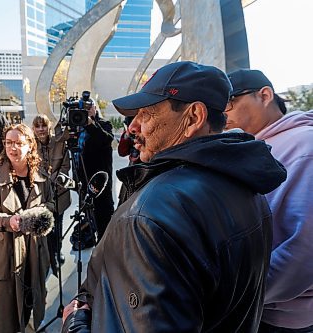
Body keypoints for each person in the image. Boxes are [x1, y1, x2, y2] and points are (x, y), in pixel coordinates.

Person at [61, 61, 287, 332]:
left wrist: (74, 324)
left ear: (193, 117)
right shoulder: (248, 186)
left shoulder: (149, 215)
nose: (133, 127)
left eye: (146, 114)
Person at [225, 69, 313, 333]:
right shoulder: (252, 145)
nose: (223, 113)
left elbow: (304, 247)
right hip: (257, 303)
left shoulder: (304, 146)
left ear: (264, 95)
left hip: (285, 315)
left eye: (230, 103)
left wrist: (238, 295)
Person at [0, 123, 53, 332]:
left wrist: (37, 215)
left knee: (33, 293)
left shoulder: (42, 175)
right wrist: (7, 221)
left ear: (30, 145)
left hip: (34, 250)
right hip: (4, 251)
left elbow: (51, 204)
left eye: (19, 143)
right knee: (5, 307)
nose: (13, 148)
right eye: (9, 143)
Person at [72, 97, 114, 245]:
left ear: (95, 108)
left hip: (100, 184)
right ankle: (92, 241)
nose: (87, 110)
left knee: (104, 218)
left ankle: (105, 251)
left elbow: (106, 139)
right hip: (83, 183)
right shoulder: (75, 126)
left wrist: (90, 124)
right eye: (83, 107)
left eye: (90, 107)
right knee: (89, 216)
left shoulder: (103, 125)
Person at [32, 114, 71, 274]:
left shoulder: (59, 143)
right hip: (40, 194)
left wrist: (56, 178)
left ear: (49, 127)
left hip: (59, 192)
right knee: (45, 225)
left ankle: (57, 251)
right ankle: (48, 255)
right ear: (33, 129)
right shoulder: (31, 145)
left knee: (58, 225)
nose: (41, 129)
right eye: (37, 126)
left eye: (43, 125)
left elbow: (66, 166)